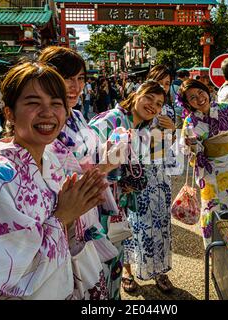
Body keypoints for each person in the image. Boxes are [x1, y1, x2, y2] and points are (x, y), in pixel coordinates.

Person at [0, 62, 108, 299]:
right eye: (33, 102)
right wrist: (63, 216)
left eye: (56, 103)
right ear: (9, 113)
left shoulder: (52, 159)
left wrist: (76, 215)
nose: (47, 112)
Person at [39, 46, 120, 299]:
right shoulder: (44, 122)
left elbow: (89, 158)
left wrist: (104, 156)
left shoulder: (75, 115)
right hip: (62, 216)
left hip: (88, 210)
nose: (76, 86)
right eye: (68, 78)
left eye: (81, 78)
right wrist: (104, 166)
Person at [89, 80, 166, 296]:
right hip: (97, 205)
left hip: (117, 205)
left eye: (159, 103)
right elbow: (85, 158)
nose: (153, 105)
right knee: (97, 267)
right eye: (149, 98)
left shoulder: (140, 127)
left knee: (113, 260)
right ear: (135, 94)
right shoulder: (111, 120)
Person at [121, 65, 176, 293]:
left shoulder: (168, 113)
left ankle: (160, 271)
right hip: (135, 175)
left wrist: (172, 131)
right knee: (131, 222)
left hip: (159, 175)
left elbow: (168, 148)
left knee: (161, 224)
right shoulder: (131, 113)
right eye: (158, 82)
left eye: (166, 84)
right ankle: (127, 269)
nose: (162, 88)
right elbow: (127, 147)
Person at [178, 79, 228, 247]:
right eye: (192, 98)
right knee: (209, 211)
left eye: (200, 92)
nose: (199, 98)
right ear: (188, 103)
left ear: (207, 90)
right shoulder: (190, 121)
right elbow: (186, 150)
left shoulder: (227, 109)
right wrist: (192, 147)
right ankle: (213, 252)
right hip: (208, 172)